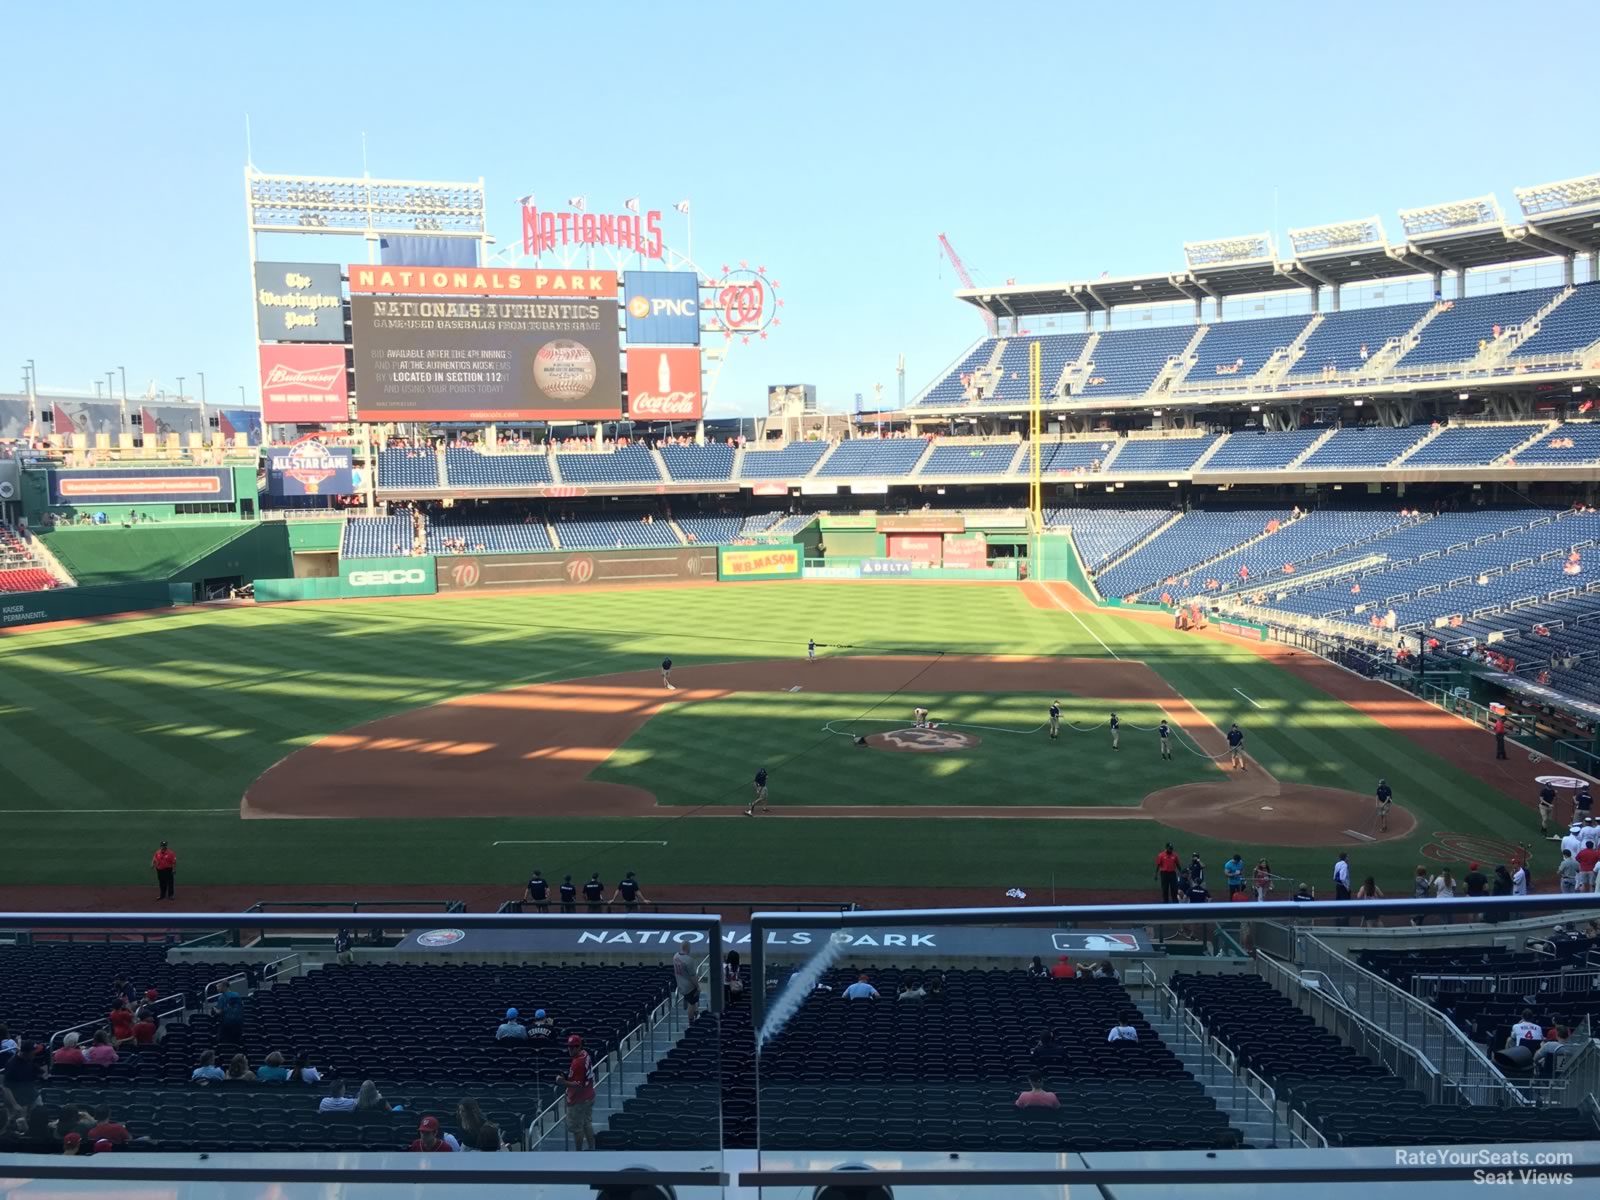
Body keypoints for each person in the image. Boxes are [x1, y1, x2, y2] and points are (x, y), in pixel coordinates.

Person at [556, 1035, 597, 1152]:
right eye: (569, 1047)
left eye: (574, 1047)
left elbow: (578, 1085)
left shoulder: (578, 1063)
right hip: (589, 1095)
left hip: (579, 1100)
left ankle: (578, 1153)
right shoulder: (585, 1053)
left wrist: (562, 1081)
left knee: (577, 1128)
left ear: (579, 1046)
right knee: (587, 1123)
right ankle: (591, 1148)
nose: (571, 1049)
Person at [673, 938, 701, 1020]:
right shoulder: (689, 960)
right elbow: (693, 976)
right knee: (691, 1003)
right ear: (688, 948)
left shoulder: (675, 956)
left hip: (680, 984)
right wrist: (698, 986)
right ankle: (691, 1022)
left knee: (692, 1000)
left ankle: (696, 1012)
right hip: (689, 987)